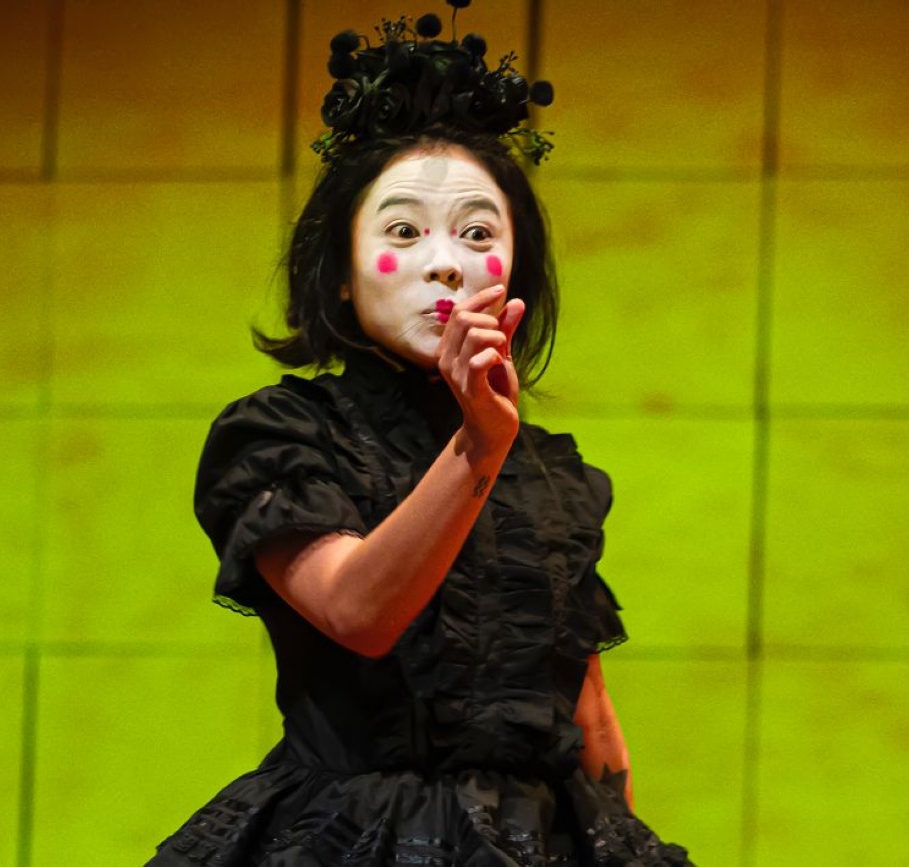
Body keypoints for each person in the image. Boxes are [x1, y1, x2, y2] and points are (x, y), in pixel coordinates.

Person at [148, 5, 693, 866]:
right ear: (338, 274)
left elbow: (588, 714)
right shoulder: (284, 434)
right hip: (348, 834)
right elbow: (358, 611)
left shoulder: (556, 472)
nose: (446, 261)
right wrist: (479, 446)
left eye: (478, 233)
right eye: (404, 231)